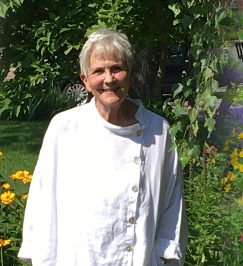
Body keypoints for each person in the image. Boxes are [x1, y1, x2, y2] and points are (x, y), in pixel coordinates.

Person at [17, 28, 187, 265]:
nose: (109, 79)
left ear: (132, 73)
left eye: (117, 68)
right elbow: (43, 202)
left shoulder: (159, 131)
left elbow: (172, 204)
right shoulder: (65, 128)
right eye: (98, 71)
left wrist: (165, 256)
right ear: (85, 81)